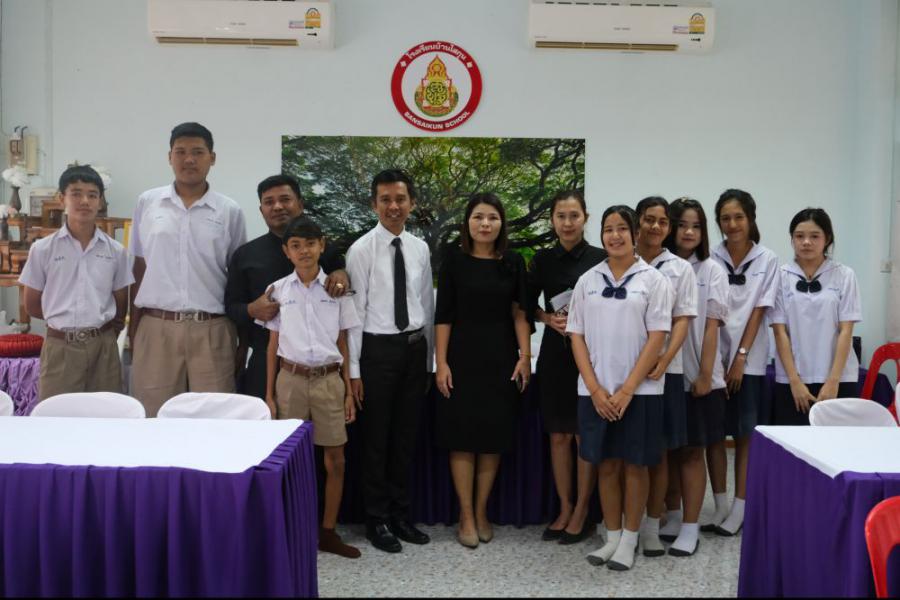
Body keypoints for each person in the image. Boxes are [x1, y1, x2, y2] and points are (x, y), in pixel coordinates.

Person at [568, 205, 674, 572]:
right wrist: (595, 389)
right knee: (606, 464)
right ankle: (611, 537)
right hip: (596, 392)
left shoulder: (653, 280)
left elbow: (658, 337)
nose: (615, 236)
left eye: (622, 229)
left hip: (639, 393)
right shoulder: (588, 280)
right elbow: (576, 335)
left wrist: (628, 389)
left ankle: (630, 539)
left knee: (636, 466)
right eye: (608, 229)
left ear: (635, 234)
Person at [129, 122, 247, 417]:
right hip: (157, 327)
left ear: (212, 158)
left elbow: (238, 276)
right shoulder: (148, 203)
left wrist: (241, 340)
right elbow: (139, 266)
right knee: (153, 416)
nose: (189, 159)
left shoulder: (229, 210)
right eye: (180, 152)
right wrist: (134, 328)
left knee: (213, 418)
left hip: (212, 329)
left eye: (198, 152)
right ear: (169, 157)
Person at [435, 193, 532, 548]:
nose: (485, 223)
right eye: (478, 217)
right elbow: (443, 316)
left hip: (501, 357)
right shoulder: (454, 261)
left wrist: (525, 356)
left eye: (492, 217)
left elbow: (520, 313)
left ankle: (481, 511)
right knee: (462, 437)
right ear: (468, 222)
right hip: (461, 357)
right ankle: (465, 515)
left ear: (501, 223)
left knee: (493, 437)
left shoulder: (514, 262)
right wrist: (441, 363)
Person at [260, 216, 361, 558]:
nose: (304, 251)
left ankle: (328, 532)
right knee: (288, 459)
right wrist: (269, 395)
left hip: (329, 381)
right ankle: (291, 529)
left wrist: (348, 390)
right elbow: (272, 346)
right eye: (296, 246)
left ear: (322, 245)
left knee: (336, 460)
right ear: (286, 252)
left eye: (310, 244)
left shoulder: (337, 289)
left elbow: (344, 341)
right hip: (290, 380)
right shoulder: (277, 290)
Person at [345, 169, 434, 553]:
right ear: (374, 204)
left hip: (413, 350)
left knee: (404, 438)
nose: (393, 206)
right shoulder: (361, 250)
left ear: (411, 203)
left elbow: (426, 304)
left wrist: (429, 360)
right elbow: (354, 314)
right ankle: (376, 519)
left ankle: (400, 515)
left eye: (400, 199)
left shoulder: (420, 248)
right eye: (385, 200)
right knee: (376, 440)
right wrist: (354, 371)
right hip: (377, 352)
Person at [527, 190, 607, 544]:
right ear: (552, 220)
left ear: (585, 218)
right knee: (558, 436)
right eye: (561, 216)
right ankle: (564, 506)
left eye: (574, 215)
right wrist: (547, 318)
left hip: (591, 356)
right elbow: (525, 304)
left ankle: (584, 510)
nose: (568, 222)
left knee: (582, 435)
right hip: (555, 356)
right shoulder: (543, 259)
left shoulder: (601, 258)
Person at [225, 174, 349, 401]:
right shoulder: (245, 255)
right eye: (269, 202)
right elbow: (231, 307)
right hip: (264, 360)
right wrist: (252, 309)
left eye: (285, 199)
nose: (277, 206)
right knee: (265, 422)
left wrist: (342, 273)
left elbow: (342, 282)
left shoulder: (326, 251)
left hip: (320, 367)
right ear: (261, 210)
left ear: (300, 204)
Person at [20, 165, 132, 400]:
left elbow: (121, 302)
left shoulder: (115, 251)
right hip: (60, 347)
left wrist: (102, 333)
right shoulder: (43, 249)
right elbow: (31, 304)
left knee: (106, 412)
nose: (85, 201)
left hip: (103, 347)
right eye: (76, 194)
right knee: (57, 414)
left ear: (100, 202)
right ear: (62, 199)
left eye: (92, 195)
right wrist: (63, 320)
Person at [658, 197, 730, 556]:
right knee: (669, 450)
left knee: (692, 452)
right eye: (682, 224)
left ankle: (691, 526)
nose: (688, 232)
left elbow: (712, 327)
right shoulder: (657, 266)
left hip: (701, 377)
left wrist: (704, 373)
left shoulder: (712, 270)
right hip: (664, 375)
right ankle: (672, 515)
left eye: (696, 226)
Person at [710, 189, 778, 536]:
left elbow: (759, 311)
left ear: (750, 218)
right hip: (713, 360)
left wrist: (740, 357)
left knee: (744, 435)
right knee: (713, 435)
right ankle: (720, 505)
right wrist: (715, 361)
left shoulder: (767, 259)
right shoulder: (712, 256)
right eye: (725, 218)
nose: (732, 224)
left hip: (747, 361)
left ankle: (741, 507)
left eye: (738, 217)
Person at [633, 197, 697, 558]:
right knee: (627, 453)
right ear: (637, 223)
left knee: (658, 453)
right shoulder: (621, 260)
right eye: (648, 219)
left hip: (665, 372)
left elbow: (683, 320)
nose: (655, 227)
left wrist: (664, 359)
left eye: (662, 222)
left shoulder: (679, 269)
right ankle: (623, 524)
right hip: (625, 371)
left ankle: (651, 527)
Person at [771, 208, 861, 425]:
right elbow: (780, 331)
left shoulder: (844, 275)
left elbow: (846, 330)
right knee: (793, 440)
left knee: (837, 442)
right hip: (793, 379)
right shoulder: (780, 276)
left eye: (814, 236)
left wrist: (833, 381)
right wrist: (794, 381)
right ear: (792, 239)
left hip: (838, 377)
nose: (806, 242)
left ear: (827, 238)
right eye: (799, 236)